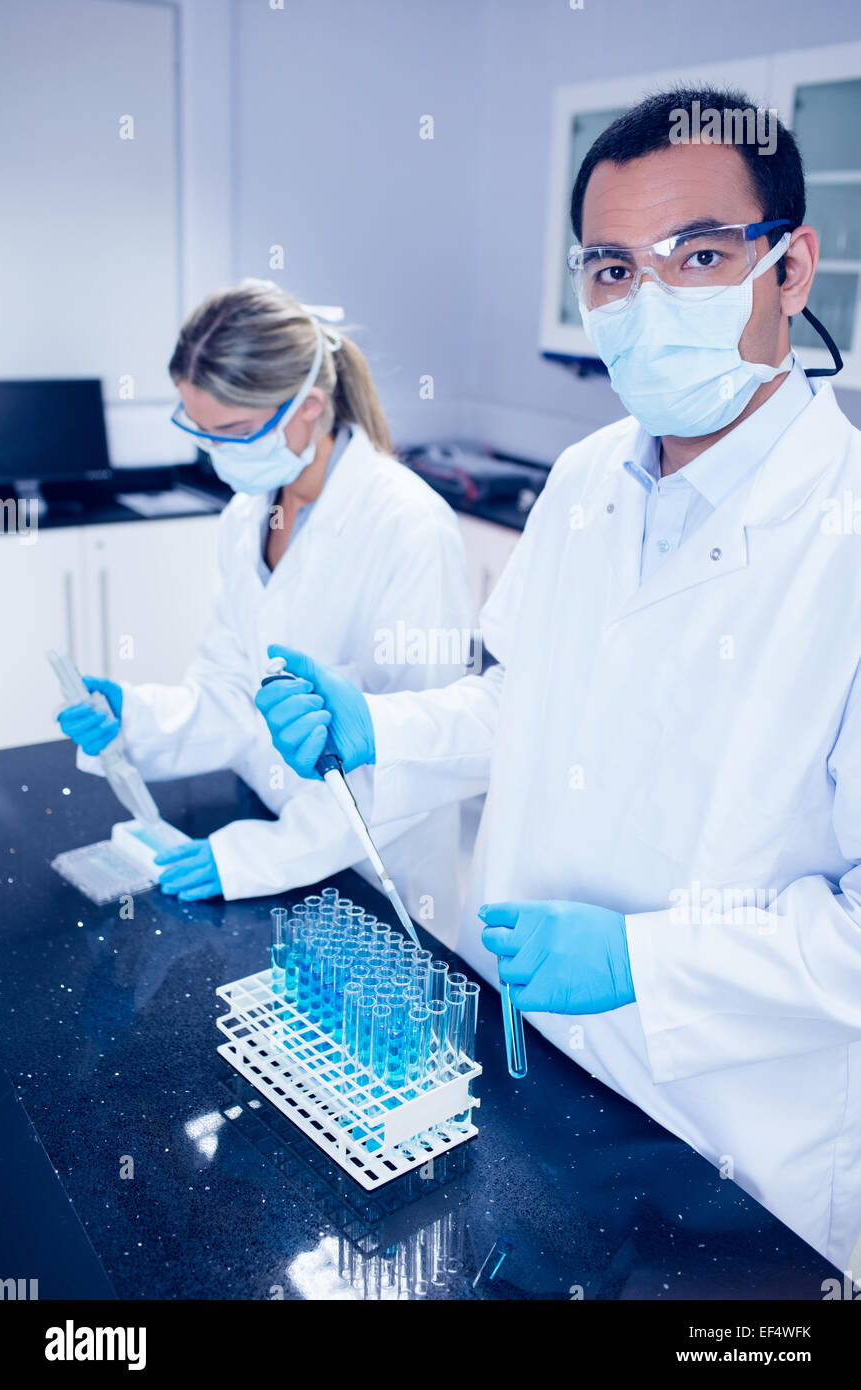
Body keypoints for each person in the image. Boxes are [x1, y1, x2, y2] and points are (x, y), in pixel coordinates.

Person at [253, 90, 861, 1271]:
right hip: (542, 1070)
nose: (646, 303)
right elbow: (515, 702)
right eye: (612, 270)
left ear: (789, 268)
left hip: (736, 1154)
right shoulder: (586, 477)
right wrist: (370, 721)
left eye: (695, 256)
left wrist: (643, 961)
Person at [59, 280, 471, 930]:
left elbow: (414, 755)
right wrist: (134, 719)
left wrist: (259, 858)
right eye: (201, 429)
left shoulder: (410, 525)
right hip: (273, 835)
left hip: (377, 871)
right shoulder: (250, 511)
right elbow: (232, 687)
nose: (216, 450)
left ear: (308, 406)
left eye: (234, 431)